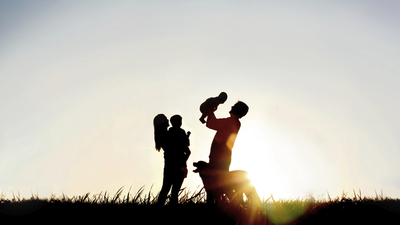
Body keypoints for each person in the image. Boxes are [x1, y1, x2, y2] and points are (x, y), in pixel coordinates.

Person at [154, 114, 191, 205]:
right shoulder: (179, 132)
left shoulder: (165, 135)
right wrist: (184, 161)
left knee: (165, 189)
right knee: (174, 192)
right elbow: (186, 149)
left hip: (169, 166)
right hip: (180, 165)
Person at [205, 101, 249, 172]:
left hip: (219, 157)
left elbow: (211, 124)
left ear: (236, 110)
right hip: (222, 157)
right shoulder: (235, 123)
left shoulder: (231, 122)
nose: (231, 107)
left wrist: (210, 110)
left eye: (234, 106)